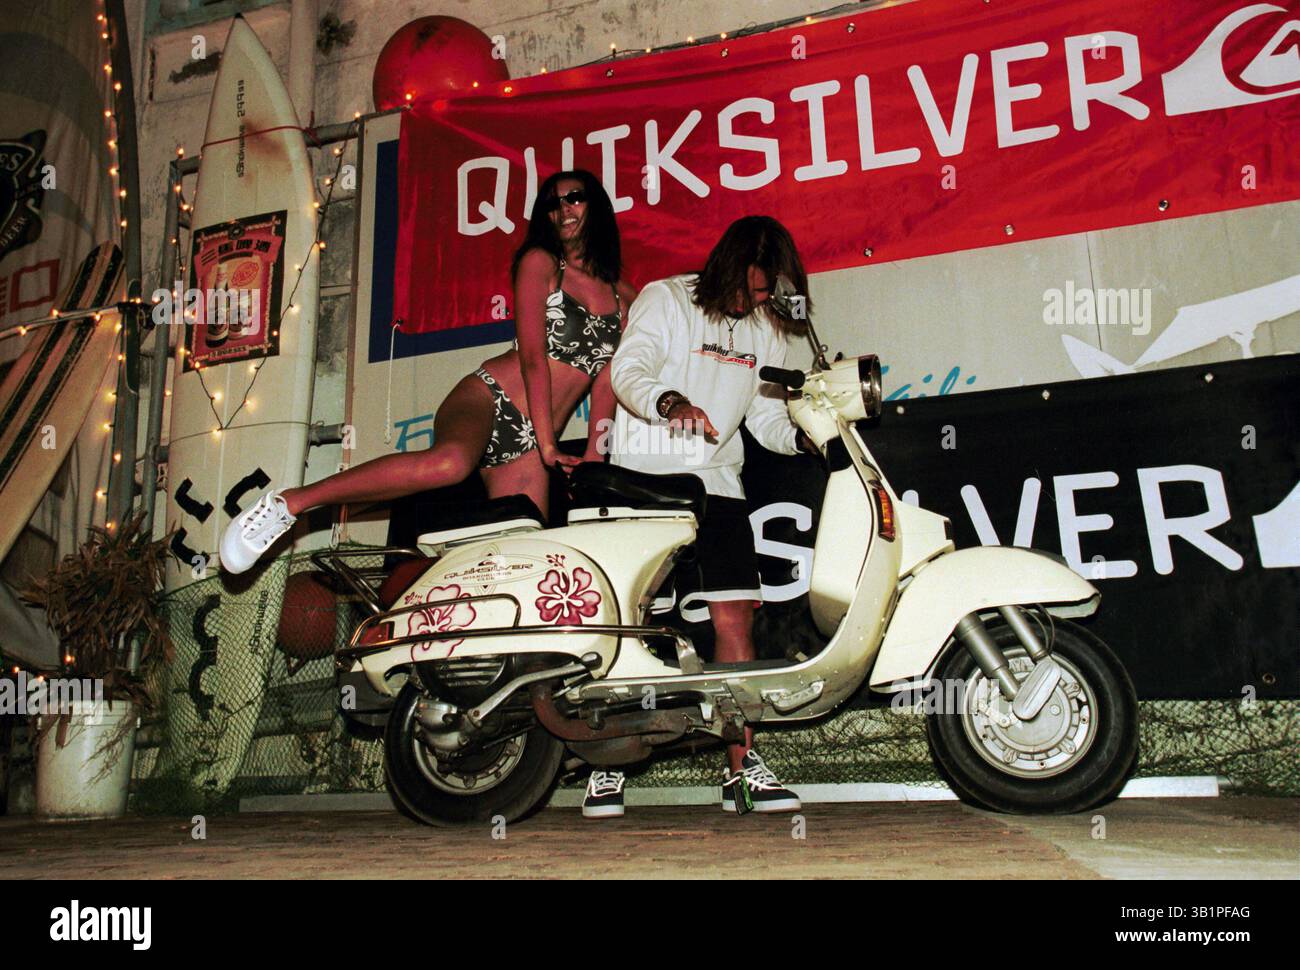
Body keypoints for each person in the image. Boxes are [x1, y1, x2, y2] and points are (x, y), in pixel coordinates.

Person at [220, 170, 637, 573]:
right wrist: (549, 445)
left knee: (524, 555)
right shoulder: (541, 262)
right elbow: (532, 357)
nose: (562, 209)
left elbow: (608, 387)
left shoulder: (624, 299)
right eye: (552, 203)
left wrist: (592, 466)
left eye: (574, 198)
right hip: (491, 398)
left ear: (595, 205)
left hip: (528, 445)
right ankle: (290, 503)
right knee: (450, 464)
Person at [582, 215, 813, 819]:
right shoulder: (668, 299)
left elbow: (764, 421)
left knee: (733, 617)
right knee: (634, 623)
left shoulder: (767, 328)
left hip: (717, 483)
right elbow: (626, 373)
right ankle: (607, 763)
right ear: (724, 268)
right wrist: (672, 404)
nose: (754, 301)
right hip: (644, 480)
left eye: (765, 292)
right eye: (747, 287)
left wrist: (809, 435)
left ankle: (740, 769)